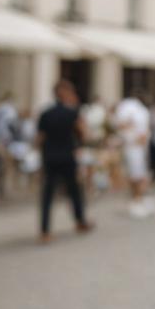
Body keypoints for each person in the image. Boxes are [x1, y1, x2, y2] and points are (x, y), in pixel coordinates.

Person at [36, 79, 94, 243]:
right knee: (74, 191)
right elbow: (84, 133)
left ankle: (45, 230)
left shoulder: (45, 113)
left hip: (50, 157)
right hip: (67, 156)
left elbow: (39, 138)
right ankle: (80, 221)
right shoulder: (72, 113)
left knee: (47, 194)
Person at [114, 89, 153, 218]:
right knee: (136, 175)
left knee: (139, 174)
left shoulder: (137, 110)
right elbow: (122, 125)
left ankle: (139, 199)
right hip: (134, 146)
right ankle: (136, 200)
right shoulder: (133, 109)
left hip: (137, 147)